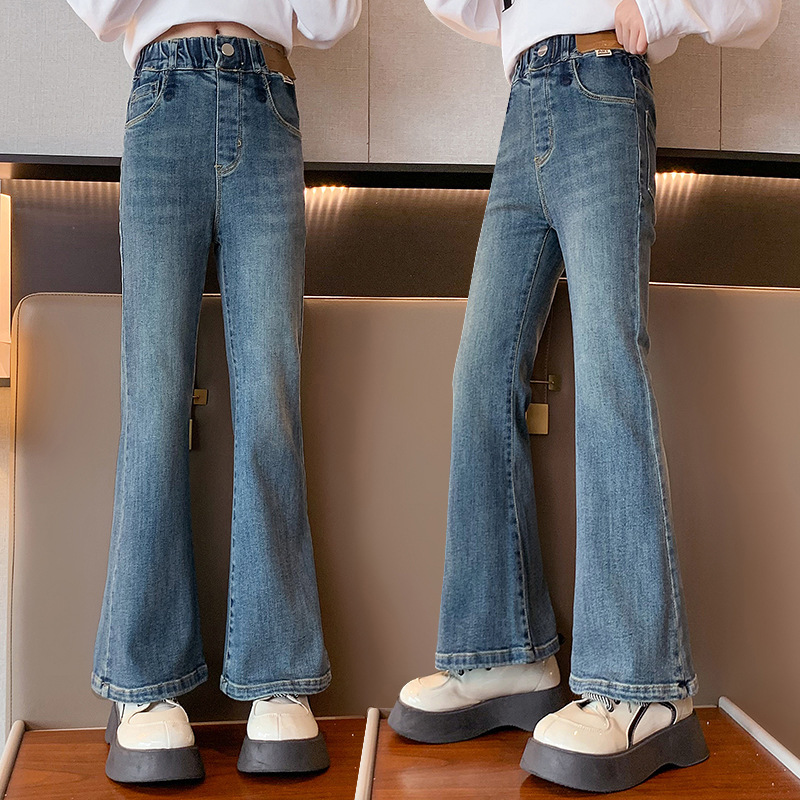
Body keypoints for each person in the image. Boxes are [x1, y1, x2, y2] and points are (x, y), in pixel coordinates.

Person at [388, 0, 781, 792]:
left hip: (603, 87)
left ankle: (645, 687)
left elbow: (760, 10)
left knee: (608, 371)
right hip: (521, 106)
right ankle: (506, 653)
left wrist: (658, 9)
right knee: (480, 376)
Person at [63, 2, 361, 784]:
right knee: (154, 399)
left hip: (269, 100)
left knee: (271, 399)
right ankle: (143, 682)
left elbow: (333, 19)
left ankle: (278, 672)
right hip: (162, 96)